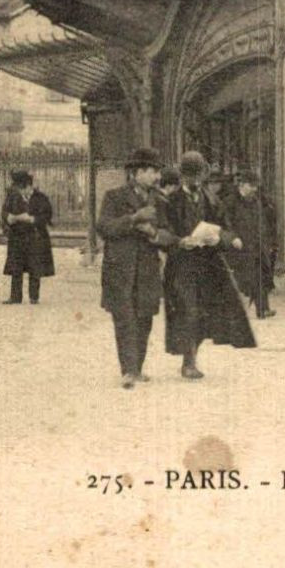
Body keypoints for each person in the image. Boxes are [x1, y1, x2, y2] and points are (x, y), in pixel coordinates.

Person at [161, 151, 255, 379]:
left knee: (204, 312)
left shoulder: (211, 200)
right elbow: (163, 231)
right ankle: (188, 362)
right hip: (181, 266)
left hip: (208, 265)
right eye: (188, 176)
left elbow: (225, 227)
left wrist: (221, 238)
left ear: (203, 175)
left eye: (197, 176)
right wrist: (179, 241)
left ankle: (191, 358)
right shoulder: (171, 201)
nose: (193, 181)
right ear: (182, 176)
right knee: (188, 310)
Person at [96, 147, 176, 388]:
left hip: (147, 270)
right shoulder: (114, 197)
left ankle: (137, 368)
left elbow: (170, 236)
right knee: (124, 319)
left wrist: (152, 232)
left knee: (144, 319)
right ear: (137, 172)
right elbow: (104, 228)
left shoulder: (160, 201)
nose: (156, 177)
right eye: (152, 171)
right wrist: (133, 219)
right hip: (120, 269)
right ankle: (128, 370)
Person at [222, 172, 278, 319]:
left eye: (256, 186)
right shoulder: (230, 202)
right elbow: (225, 222)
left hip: (257, 245)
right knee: (244, 280)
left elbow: (263, 223)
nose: (254, 189)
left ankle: (263, 309)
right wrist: (233, 237)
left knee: (261, 275)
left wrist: (267, 242)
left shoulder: (257, 202)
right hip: (239, 247)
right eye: (251, 185)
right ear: (241, 185)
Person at [2, 170, 55, 305]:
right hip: (17, 237)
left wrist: (31, 219)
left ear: (29, 186)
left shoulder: (41, 198)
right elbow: (4, 212)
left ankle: (34, 296)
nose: (21, 192)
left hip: (35, 236)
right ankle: (15, 297)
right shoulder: (13, 197)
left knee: (35, 267)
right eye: (19, 189)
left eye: (23, 188)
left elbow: (47, 216)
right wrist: (9, 218)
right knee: (16, 268)